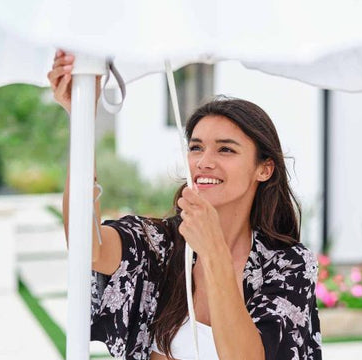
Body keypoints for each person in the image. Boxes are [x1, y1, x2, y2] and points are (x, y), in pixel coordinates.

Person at [48, 50, 322, 360]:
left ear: (264, 168)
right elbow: (89, 247)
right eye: (196, 148)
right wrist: (81, 117)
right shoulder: (159, 245)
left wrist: (214, 250)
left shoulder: (286, 265)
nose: (205, 162)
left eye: (226, 150)